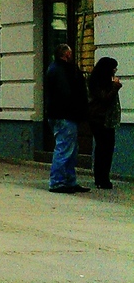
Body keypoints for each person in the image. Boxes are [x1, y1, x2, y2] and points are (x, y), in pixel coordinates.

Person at [43, 44, 88, 193]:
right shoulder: (62, 71)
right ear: (66, 54)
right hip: (64, 115)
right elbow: (66, 93)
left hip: (59, 114)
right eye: (70, 53)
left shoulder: (54, 68)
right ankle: (57, 182)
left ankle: (69, 180)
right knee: (64, 149)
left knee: (70, 149)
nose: (72, 56)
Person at [87, 57, 121, 191]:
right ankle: (102, 179)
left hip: (104, 119)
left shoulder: (100, 80)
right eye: (113, 68)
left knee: (104, 149)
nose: (115, 70)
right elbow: (105, 99)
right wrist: (115, 87)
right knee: (104, 148)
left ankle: (101, 178)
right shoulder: (97, 82)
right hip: (100, 119)